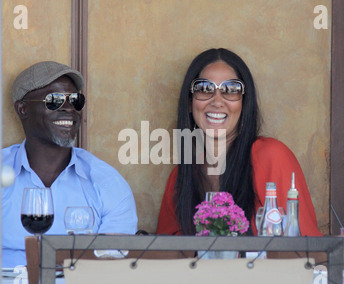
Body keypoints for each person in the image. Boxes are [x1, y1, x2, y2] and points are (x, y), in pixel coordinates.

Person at [156, 48, 322, 237]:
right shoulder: (180, 176)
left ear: (244, 103)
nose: (217, 101)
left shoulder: (271, 156)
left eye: (231, 90)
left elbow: (307, 250)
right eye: (204, 88)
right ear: (189, 102)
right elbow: (165, 254)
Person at [2, 61, 138, 267]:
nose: (69, 108)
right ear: (23, 109)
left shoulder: (107, 183)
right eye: (54, 100)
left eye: (75, 100)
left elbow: (112, 268)